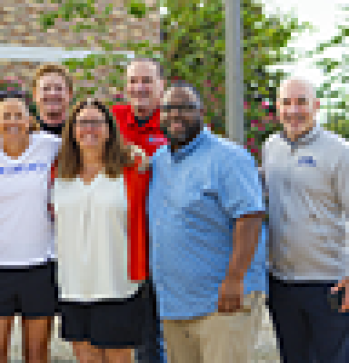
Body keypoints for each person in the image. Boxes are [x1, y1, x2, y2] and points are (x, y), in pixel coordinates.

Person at [149, 82, 267, 363]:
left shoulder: (228, 157)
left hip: (222, 301)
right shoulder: (159, 160)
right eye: (168, 109)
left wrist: (235, 277)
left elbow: (250, 217)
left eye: (185, 108)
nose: (175, 115)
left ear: (202, 112)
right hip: (175, 306)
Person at [52, 98, 152, 363]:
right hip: (73, 285)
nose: (89, 129)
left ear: (110, 129)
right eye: (82, 122)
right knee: (86, 357)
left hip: (117, 284)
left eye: (97, 122)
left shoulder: (132, 170)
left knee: (119, 358)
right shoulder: (58, 173)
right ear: (72, 130)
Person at [263, 77, 349, 362]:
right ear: (278, 107)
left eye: (301, 102)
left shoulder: (339, 151)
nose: (294, 110)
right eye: (287, 102)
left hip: (328, 283)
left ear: (316, 106)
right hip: (282, 283)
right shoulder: (270, 148)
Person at [0, 90, 59, 363]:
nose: (12, 121)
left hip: (40, 265)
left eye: (18, 115)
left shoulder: (50, 145)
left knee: (36, 353)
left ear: (29, 119)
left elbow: (92, 148)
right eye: (5, 116)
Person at [110, 57, 167, 363]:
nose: (139, 87)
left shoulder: (175, 124)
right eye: (133, 81)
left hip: (161, 244)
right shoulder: (113, 120)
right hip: (119, 243)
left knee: (156, 335)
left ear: (162, 86)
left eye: (147, 80)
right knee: (119, 331)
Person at [31, 63, 73, 136]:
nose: (52, 93)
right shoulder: (26, 134)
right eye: (46, 88)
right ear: (35, 95)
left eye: (59, 88)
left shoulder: (80, 133)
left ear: (70, 94)